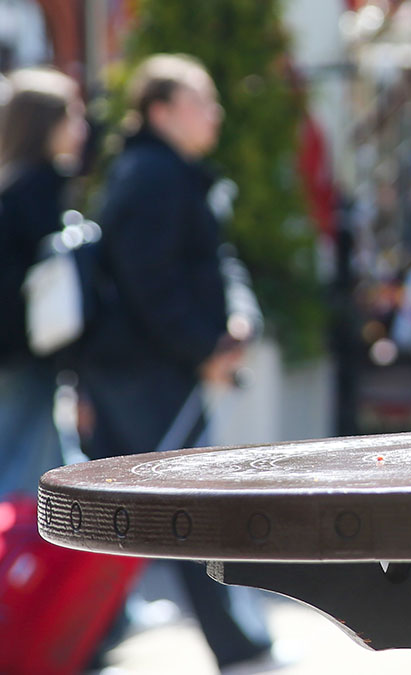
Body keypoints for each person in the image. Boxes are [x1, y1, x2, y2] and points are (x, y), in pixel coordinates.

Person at [78, 53, 274, 671]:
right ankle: (225, 640)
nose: (214, 112)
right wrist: (205, 348)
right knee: (175, 509)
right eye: (201, 100)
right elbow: (151, 283)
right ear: (161, 110)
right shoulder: (152, 174)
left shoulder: (170, 171)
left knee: (151, 511)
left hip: (156, 368)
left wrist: (233, 323)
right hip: (144, 372)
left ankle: (91, 635)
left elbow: (212, 262)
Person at [0, 67, 88, 497]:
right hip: (25, 353)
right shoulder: (38, 190)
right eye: (71, 115)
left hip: (20, 352)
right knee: (18, 469)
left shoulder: (14, 186)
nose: (81, 128)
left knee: (48, 463)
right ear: (43, 123)